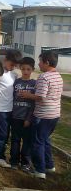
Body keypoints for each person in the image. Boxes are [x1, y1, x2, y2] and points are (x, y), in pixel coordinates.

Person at [19, 51, 63, 179]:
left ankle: (39, 170)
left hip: (43, 116)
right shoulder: (58, 76)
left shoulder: (44, 77)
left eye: (40, 61)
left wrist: (27, 95)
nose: (39, 64)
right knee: (45, 140)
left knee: (37, 142)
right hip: (54, 115)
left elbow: (41, 97)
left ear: (47, 62)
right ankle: (49, 166)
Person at [0, 49, 22, 169]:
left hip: (10, 110)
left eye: (15, 65)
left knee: (5, 135)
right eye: (12, 64)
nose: (13, 67)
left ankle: (0, 156)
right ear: (6, 60)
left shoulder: (14, 75)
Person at [10, 57, 36, 172]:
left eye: (28, 69)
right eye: (23, 69)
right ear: (20, 69)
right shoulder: (16, 82)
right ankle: (14, 161)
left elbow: (34, 103)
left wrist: (28, 118)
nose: (25, 72)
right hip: (15, 117)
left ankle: (25, 162)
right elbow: (11, 97)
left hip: (27, 118)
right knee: (15, 140)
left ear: (32, 70)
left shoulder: (34, 84)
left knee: (27, 141)